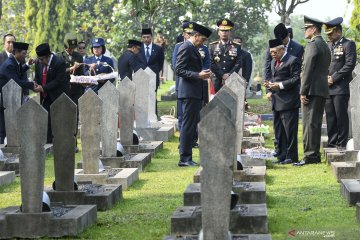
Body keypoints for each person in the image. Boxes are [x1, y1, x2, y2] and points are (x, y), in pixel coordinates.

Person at [293, 16, 331, 166]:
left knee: (309, 124)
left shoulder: (313, 45)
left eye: (306, 28)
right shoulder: (324, 45)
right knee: (314, 123)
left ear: (313, 29)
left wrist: (303, 91)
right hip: (320, 89)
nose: (304, 31)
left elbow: (307, 70)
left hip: (311, 90)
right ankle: (313, 154)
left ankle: (310, 155)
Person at [264, 23, 304, 158]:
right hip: (276, 100)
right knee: (279, 130)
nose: (272, 55)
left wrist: (279, 85)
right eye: (271, 53)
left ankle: (291, 156)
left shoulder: (292, 60)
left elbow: (295, 78)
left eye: (275, 52)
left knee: (290, 131)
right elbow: (270, 73)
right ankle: (281, 154)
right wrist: (269, 86)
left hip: (288, 100)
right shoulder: (273, 61)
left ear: (282, 50)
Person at [176, 22, 212, 167]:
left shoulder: (193, 48)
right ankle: (184, 158)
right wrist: (198, 75)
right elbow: (179, 69)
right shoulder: (185, 47)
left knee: (190, 125)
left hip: (195, 92)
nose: (202, 43)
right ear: (196, 36)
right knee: (188, 126)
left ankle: (187, 157)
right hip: (189, 92)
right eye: (202, 40)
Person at [323, 17, 357, 150]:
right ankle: (332, 143)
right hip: (328, 87)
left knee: (340, 116)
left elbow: (349, 64)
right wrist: (325, 77)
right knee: (330, 117)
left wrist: (334, 78)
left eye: (331, 33)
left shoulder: (348, 44)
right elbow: (325, 64)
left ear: (338, 31)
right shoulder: (329, 46)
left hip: (340, 87)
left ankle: (341, 143)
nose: (329, 36)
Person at [0, 42, 36, 144]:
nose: (24, 56)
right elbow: (16, 82)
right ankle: (1, 151)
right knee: (3, 129)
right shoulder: (9, 64)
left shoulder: (13, 61)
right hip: (4, 100)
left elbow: (19, 71)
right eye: (23, 53)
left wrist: (28, 64)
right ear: (16, 52)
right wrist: (32, 85)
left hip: (9, 99)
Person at [33, 43, 69, 143]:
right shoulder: (38, 62)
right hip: (46, 96)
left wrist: (43, 88)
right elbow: (37, 76)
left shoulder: (59, 62)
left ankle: (62, 143)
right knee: (46, 119)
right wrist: (35, 84)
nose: (40, 61)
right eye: (39, 59)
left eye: (42, 59)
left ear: (48, 56)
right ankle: (48, 143)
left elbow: (58, 81)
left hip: (58, 95)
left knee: (60, 121)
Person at [57, 33, 84, 153]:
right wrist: (72, 68)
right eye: (69, 47)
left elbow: (81, 73)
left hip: (76, 90)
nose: (71, 50)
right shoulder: (59, 57)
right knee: (63, 117)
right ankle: (63, 142)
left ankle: (73, 143)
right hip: (63, 91)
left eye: (73, 48)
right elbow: (59, 73)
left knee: (75, 117)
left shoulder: (79, 56)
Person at [209, 18, 250, 93]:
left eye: (226, 31)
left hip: (232, 79)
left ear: (230, 32)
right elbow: (211, 63)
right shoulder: (213, 46)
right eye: (222, 30)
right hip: (217, 80)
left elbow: (238, 63)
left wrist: (229, 74)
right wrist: (222, 75)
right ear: (218, 32)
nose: (224, 33)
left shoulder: (237, 46)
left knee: (231, 103)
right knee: (215, 103)